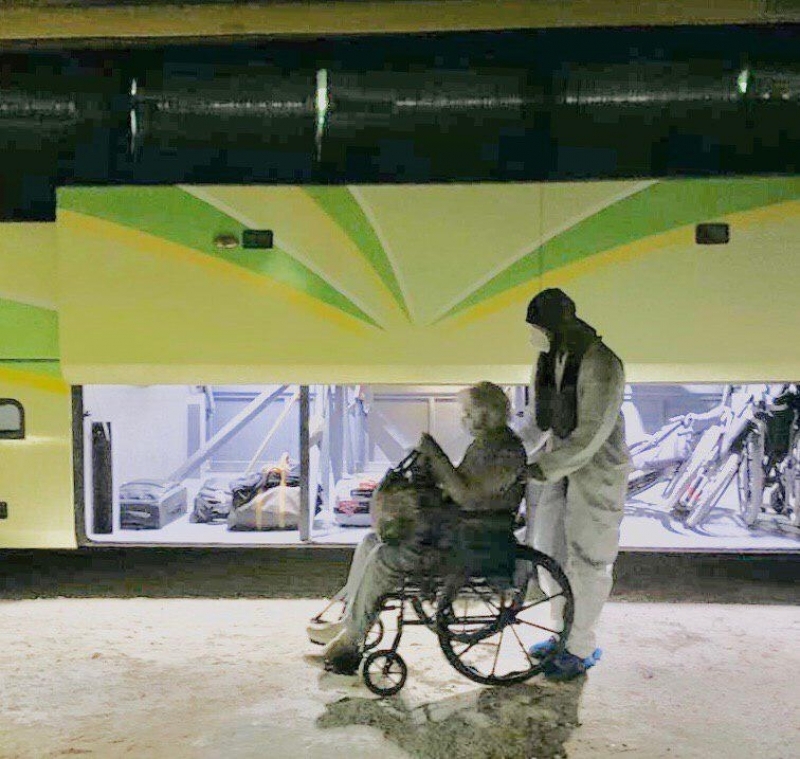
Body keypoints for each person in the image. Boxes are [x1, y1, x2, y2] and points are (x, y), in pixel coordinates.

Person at [311, 381, 526, 674]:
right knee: (370, 542)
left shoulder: (505, 451)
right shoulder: (487, 444)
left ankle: (352, 640)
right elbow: (462, 489)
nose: (464, 419)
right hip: (455, 531)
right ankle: (350, 621)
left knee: (384, 557)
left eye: (468, 412)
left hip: (467, 540)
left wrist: (437, 457)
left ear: (486, 414)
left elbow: (466, 497)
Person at [519, 288, 632, 681]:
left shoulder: (602, 363)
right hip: (557, 467)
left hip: (595, 471)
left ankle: (579, 647)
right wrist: (511, 455)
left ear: (561, 322)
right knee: (550, 553)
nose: (537, 336)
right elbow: (537, 421)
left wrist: (541, 469)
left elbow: (590, 435)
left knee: (588, 559)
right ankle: (560, 634)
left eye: (540, 328)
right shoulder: (549, 359)